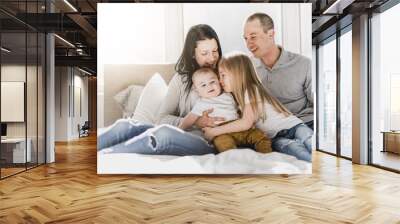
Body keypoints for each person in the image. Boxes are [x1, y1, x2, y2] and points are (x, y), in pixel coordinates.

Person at [98, 24, 224, 156]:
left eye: (215, 51)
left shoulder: (224, 73)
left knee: (163, 134)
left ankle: (106, 156)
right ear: (192, 53)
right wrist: (194, 122)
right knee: (125, 126)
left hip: (204, 141)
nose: (212, 58)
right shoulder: (181, 79)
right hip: (180, 133)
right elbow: (162, 118)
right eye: (205, 53)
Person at [203, 52, 313, 162]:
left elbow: (246, 123)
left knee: (310, 142)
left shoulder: (251, 89)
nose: (220, 80)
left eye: (223, 75)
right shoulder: (236, 100)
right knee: (298, 152)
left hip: (294, 126)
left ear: (238, 74)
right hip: (275, 137)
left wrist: (214, 132)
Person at [243, 13, 314, 130]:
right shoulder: (247, 67)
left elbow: (318, 106)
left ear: (271, 34)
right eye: (246, 38)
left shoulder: (304, 64)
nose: (248, 44)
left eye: (253, 37)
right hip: (271, 131)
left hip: (304, 124)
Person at [179, 67, 272, 153]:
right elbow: (189, 119)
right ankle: (235, 162)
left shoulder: (228, 94)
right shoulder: (201, 103)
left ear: (219, 81)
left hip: (237, 126)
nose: (209, 86)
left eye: (212, 82)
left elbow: (240, 107)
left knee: (259, 136)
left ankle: (266, 156)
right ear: (196, 90)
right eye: (203, 85)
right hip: (219, 132)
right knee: (224, 144)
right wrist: (179, 129)